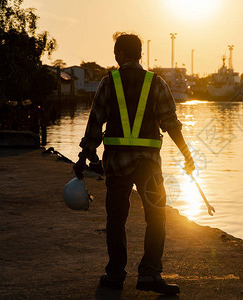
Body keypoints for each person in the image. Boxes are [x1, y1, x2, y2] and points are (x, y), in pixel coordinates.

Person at [73, 32, 195, 295]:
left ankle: (116, 274)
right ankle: (150, 275)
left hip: (117, 164)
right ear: (140, 54)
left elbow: (95, 124)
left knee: (116, 218)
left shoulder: (109, 83)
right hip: (149, 165)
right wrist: (187, 154)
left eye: (116, 51)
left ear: (121, 54)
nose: (115, 56)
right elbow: (171, 123)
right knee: (156, 218)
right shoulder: (157, 83)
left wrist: (83, 157)